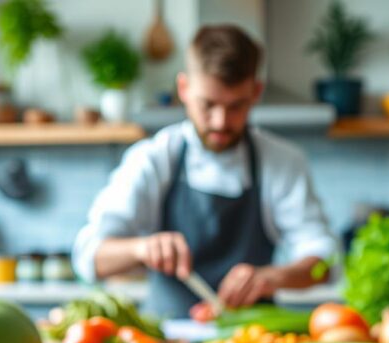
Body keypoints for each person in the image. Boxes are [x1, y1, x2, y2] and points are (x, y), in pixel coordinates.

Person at [72, 25, 338, 319]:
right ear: (184, 89)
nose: (220, 122)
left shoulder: (282, 161)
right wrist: (141, 248)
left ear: (256, 92)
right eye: (208, 105)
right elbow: (87, 257)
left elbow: (327, 263)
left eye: (236, 106)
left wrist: (272, 278)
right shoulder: (152, 158)